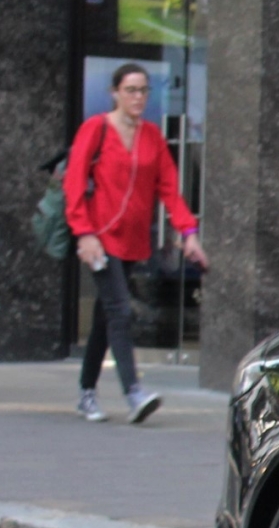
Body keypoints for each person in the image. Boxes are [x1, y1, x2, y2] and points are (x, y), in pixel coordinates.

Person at [65, 63, 205, 422]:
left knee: (105, 317)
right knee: (121, 312)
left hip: (132, 241)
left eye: (144, 90)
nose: (138, 97)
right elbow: (75, 184)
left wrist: (188, 233)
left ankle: (86, 392)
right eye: (130, 90)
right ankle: (134, 392)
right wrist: (83, 233)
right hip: (99, 239)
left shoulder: (152, 137)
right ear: (115, 93)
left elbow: (169, 190)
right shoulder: (95, 129)